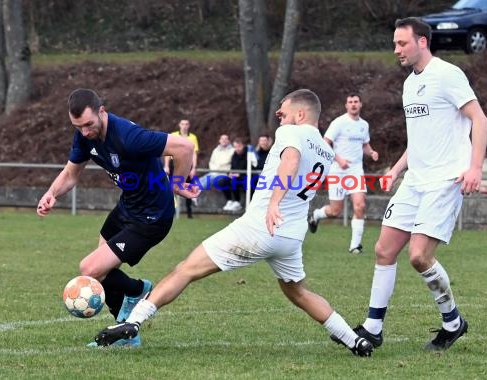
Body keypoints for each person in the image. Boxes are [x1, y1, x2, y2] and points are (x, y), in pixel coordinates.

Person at [93, 89, 374, 357]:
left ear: (300, 114)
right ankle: (354, 339)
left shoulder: (290, 132)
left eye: (283, 111)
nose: (278, 114)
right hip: (290, 236)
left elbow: (290, 160)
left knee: (185, 269)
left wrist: (274, 202)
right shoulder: (326, 151)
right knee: (298, 292)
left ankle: (134, 320)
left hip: (260, 227)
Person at [353, 17, 487, 351]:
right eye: (395, 44)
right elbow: (420, 139)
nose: (396, 50)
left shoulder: (447, 74)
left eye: (402, 43)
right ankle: (373, 328)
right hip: (415, 180)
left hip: (445, 179)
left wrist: (475, 168)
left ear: (422, 42)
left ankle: (452, 322)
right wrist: (396, 169)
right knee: (384, 249)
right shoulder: (409, 84)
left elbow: (479, 118)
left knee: (418, 257)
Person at [37, 88, 198, 347]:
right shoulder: (84, 136)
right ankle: (124, 332)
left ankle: (137, 290)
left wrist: (177, 183)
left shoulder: (128, 136)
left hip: (152, 216)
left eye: (89, 125)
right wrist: (52, 193)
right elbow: (71, 173)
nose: (85, 132)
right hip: (127, 207)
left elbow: (184, 147)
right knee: (102, 272)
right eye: (78, 127)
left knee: (90, 269)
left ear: (102, 111)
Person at [308, 94, 379, 254]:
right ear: (346, 105)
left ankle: (355, 246)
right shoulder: (339, 123)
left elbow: (365, 144)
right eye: (350, 102)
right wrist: (339, 159)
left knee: (360, 206)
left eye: (356, 102)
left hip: (355, 171)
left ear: (360, 104)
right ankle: (317, 215)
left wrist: (371, 152)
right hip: (338, 172)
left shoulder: (364, 125)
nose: (353, 104)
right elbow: (325, 143)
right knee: (335, 211)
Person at [164, 118, 200, 218]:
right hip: (174, 163)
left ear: (189, 126)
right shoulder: (173, 135)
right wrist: (166, 166)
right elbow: (167, 152)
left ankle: (189, 213)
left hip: (187, 164)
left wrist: (193, 168)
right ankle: (172, 211)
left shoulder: (193, 137)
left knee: (187, 187)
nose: (184, 126)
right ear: (179, 125)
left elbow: (194, 154)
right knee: (172, 187)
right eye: (182, 124)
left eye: (186, 124)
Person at [219, 137, 248, 212]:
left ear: (243, 145)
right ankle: (229, 201)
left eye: (239, 146)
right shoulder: (234, 155)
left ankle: (237, 202)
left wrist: (240, 175)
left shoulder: (248, 155)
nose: (237, 149)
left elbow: (250, 168)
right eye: (235, 147)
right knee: (222, 181)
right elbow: (232, 168)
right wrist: (230, 174)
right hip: (235, 176)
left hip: (245, 177)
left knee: (234, 181)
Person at [251, 134, 273, 199]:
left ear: (268, 142)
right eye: (261, 141)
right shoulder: (255, 153)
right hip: (256, 175)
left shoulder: (272, 152)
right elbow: (253, 165)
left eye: (265, 141)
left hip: (268, 175)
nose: (263, 143)